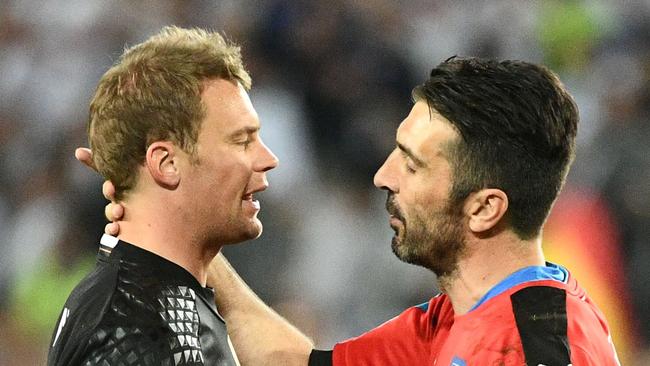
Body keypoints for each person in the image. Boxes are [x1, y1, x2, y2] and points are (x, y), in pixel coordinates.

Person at [86, 58, 621, 365]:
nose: (382, 175)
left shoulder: (537, 348)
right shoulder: (451, 319)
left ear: (484, 208)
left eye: (412, 165)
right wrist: (186, 224)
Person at [47, 26, 315, 366]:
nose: (269, 159)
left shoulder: (164, 305)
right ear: (167, 163)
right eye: (242, 140)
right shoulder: (137, 330)